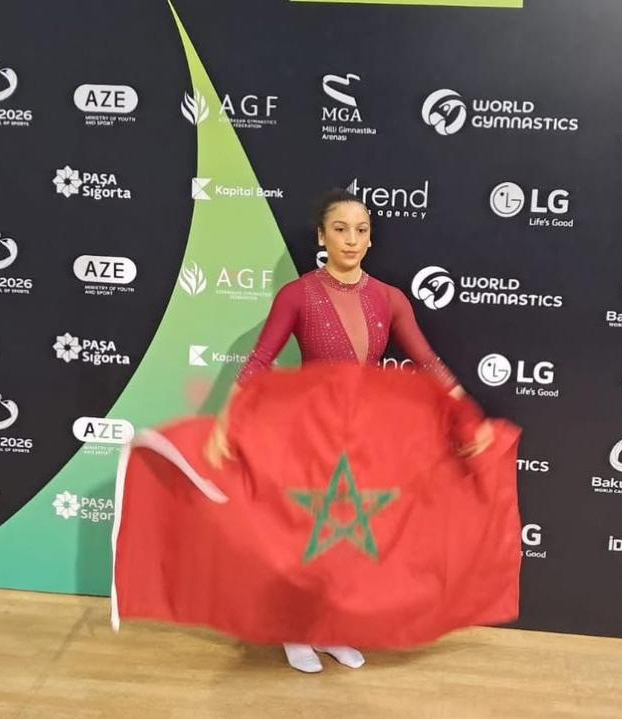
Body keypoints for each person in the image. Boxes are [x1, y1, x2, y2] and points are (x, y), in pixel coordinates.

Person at [204, 188, 493, 672]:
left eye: (361, 230)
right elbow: (258, 362)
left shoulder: (390, 298)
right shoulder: (297, 295)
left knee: (347, 540)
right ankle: (294, 630)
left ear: (371, 238)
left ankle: (331, 627)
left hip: (363, 436)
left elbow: (427, 361)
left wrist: (468, 414)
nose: (351, 239)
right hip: (309, 433)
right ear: (322, 236)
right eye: (340, 229)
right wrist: (223, 422)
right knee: (305, 535)